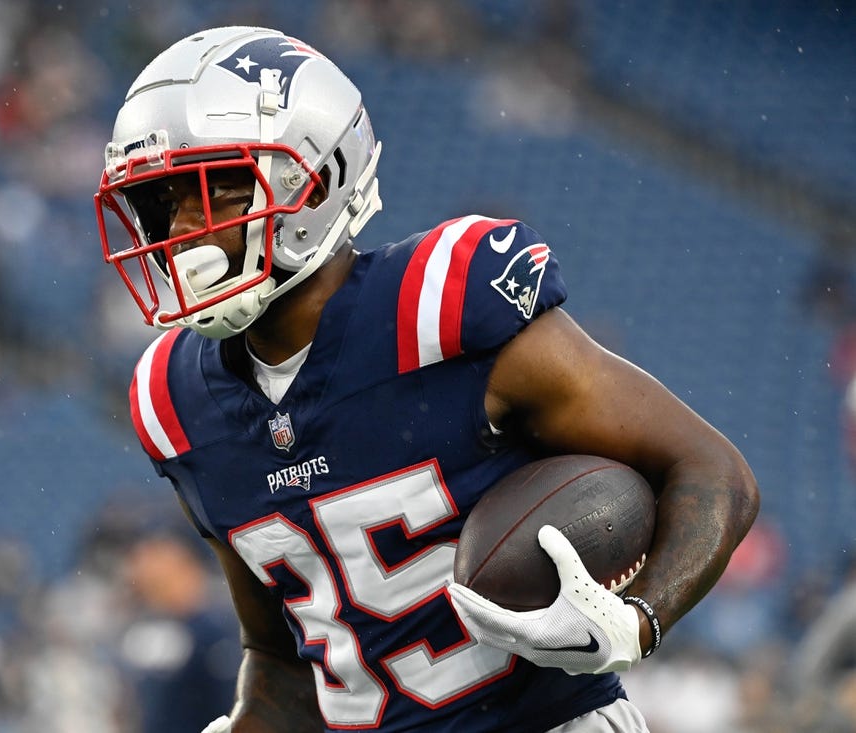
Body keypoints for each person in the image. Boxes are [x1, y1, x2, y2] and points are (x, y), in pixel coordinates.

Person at [93, 26, 759, 733]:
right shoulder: (174, 398)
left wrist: (637, 620)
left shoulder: (439, 307)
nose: (185, 230)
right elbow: (286, 655)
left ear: (311, 180)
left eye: (215, 191)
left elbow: (713, 470)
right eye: (165, 203)